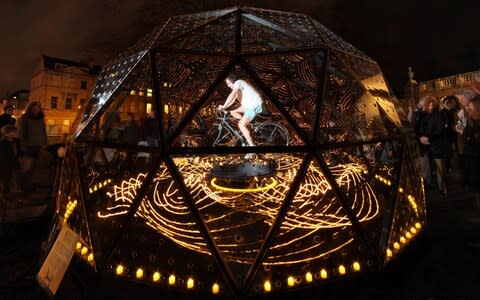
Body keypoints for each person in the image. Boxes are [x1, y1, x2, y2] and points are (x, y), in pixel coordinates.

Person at [219, 74, 263, 147]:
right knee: (233, 111)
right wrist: (224, 107)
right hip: (250, 105)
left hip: (253, 106)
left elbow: (232, 95)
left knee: (241, 125)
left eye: (228, 83)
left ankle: (252, 147)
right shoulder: (237, 88)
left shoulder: (238, 82)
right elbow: (233, 100)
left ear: (233, 82)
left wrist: (223, 106)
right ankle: (247, 125)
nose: (227, 85)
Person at [18, 101, 48, 192]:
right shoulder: (25, 118)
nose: (37, 110)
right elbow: (22, 133)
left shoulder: (41, 118)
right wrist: (23, 146)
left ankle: (29, 184)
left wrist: (45, 142)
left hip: (38, 146)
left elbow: (43, 131)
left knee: (34, 167)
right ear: (31, 108)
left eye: (38, 108)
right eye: (35, 108)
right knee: (27, 167)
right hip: (28, 146)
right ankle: (24, 186)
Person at [0, 125, 21, 196]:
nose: (16, 133)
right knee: (6, 179)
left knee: (13, 177)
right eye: (14, 132)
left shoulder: (16, 141)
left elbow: (17, 152)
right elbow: (4, 156)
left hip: (14, 162)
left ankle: (12, 191)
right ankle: (5, 193)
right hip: (6, 164)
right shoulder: (3, 143)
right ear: (8, 133)